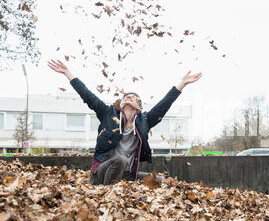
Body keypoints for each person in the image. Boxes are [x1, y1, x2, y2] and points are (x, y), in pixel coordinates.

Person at [48, 59, 202, 185]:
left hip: (127, 175)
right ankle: (107, 193)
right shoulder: (108, 113)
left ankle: (121, 187)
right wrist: (67, 73)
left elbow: (164, 105)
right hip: (101, 172)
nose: (128, 97)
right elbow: (87, 95)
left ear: (139, 106)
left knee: (159, 181)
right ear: (120, 103)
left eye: (133, 97)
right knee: (120, 160)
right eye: (126, 97)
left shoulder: (145, 120)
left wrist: (182, 83)